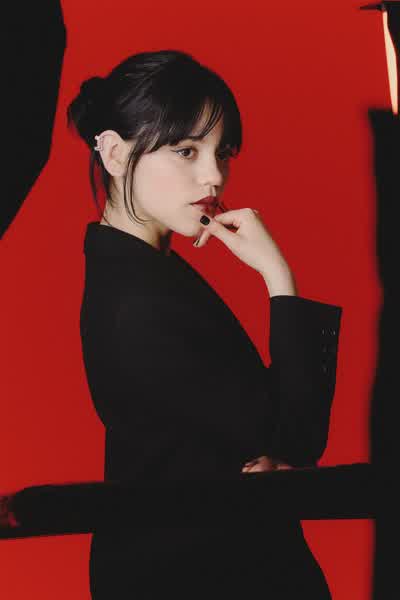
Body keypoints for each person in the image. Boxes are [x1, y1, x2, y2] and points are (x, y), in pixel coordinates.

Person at [67, 49, 342, 599]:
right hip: (198, 571)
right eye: (186, 151)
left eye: (222, 152)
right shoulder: (141, 300)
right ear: (115, 153)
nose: (213, 175)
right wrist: (277, 276)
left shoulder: (142, 272)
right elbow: (294, 440)